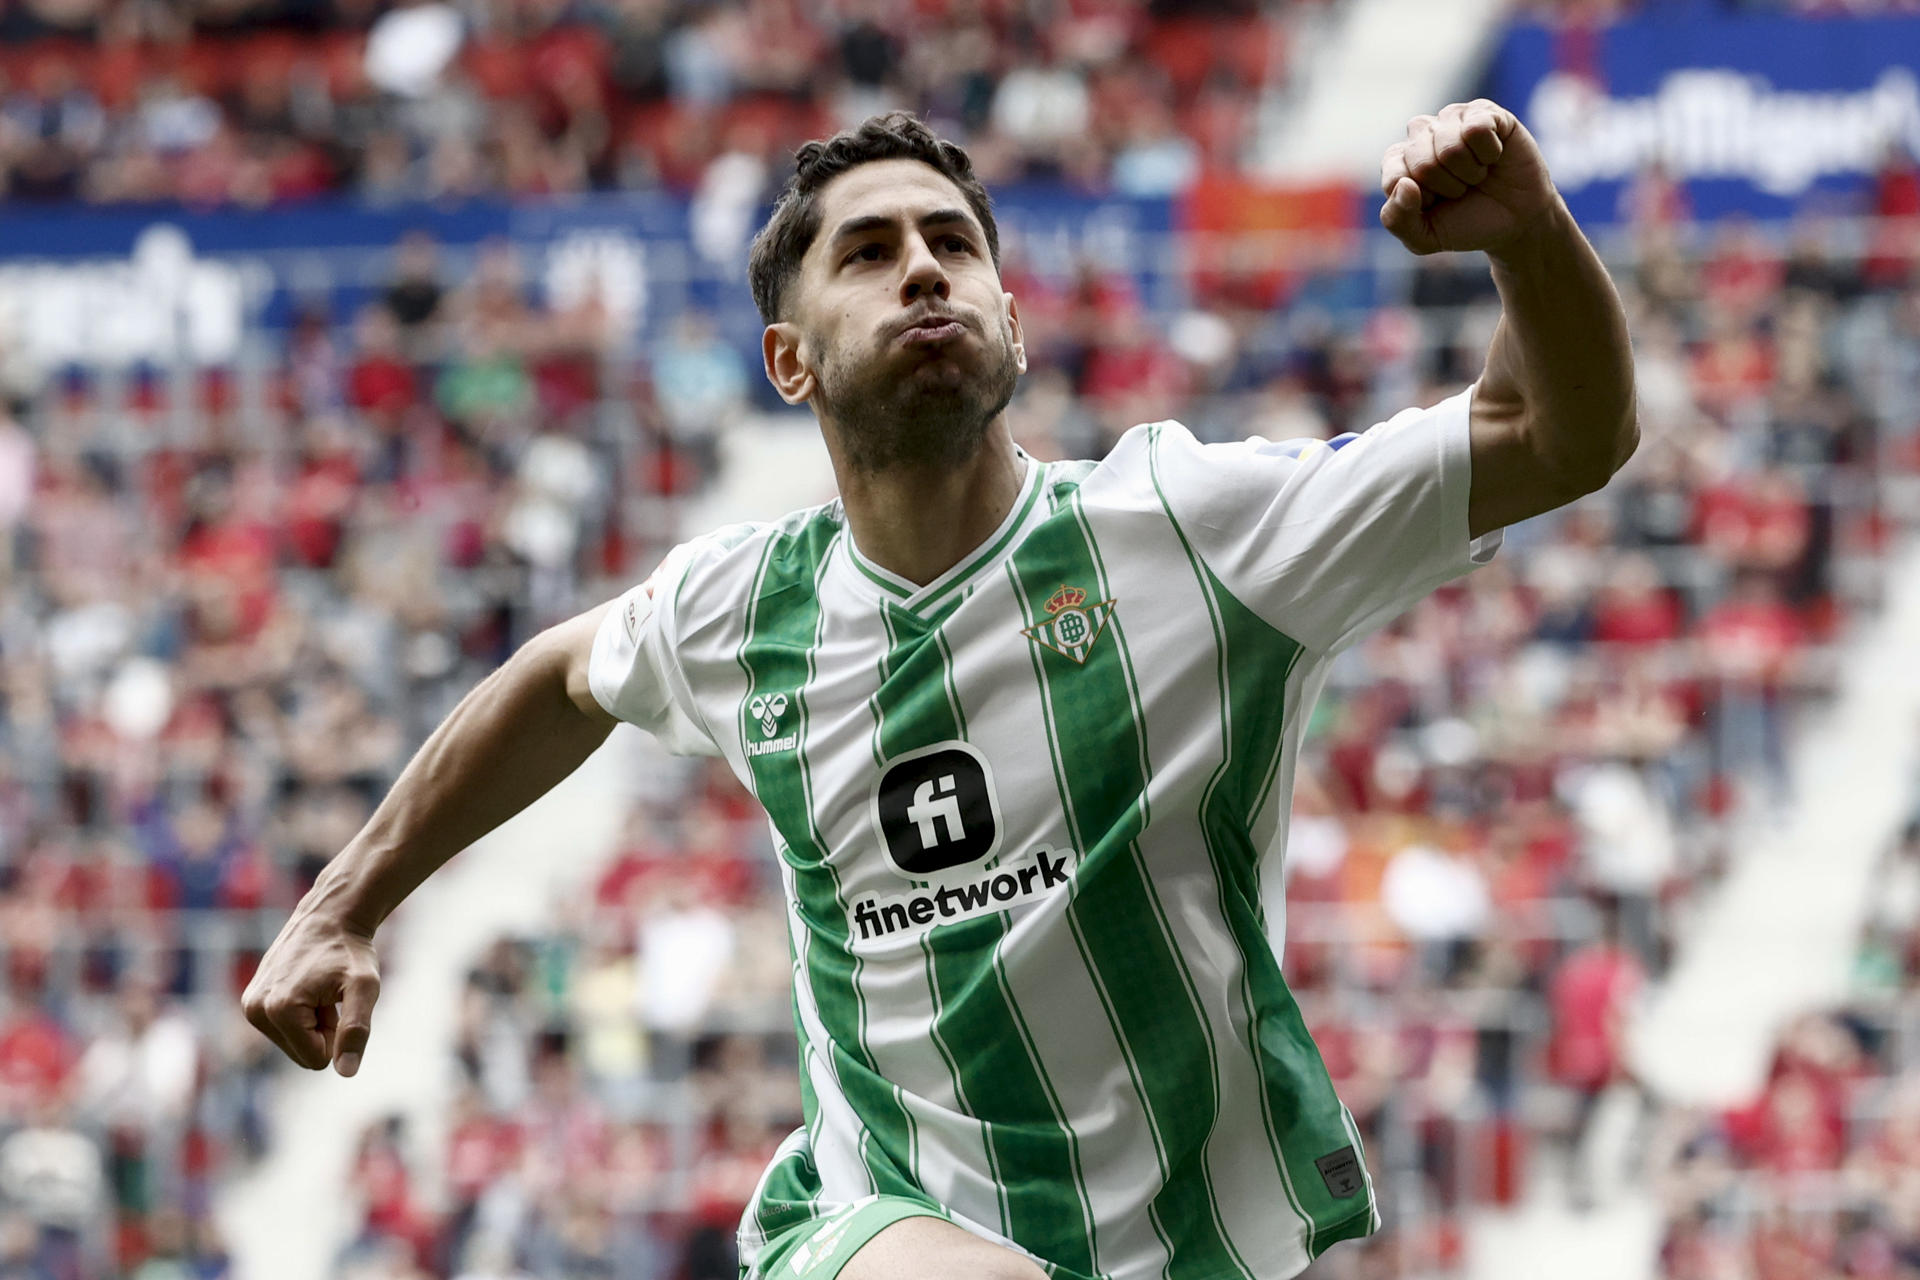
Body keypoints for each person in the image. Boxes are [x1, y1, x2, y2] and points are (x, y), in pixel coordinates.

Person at [242, 107, 1636, 1280]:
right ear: (788, 360)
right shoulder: (741, 607)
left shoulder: (1197, 532)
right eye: (869, 252)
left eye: (953, 245)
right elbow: (560, 675)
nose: (923, 271)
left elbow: (1558, 434)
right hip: (872, 1227)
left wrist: (1528, 234)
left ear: (1014, 326)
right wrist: (342, 904)